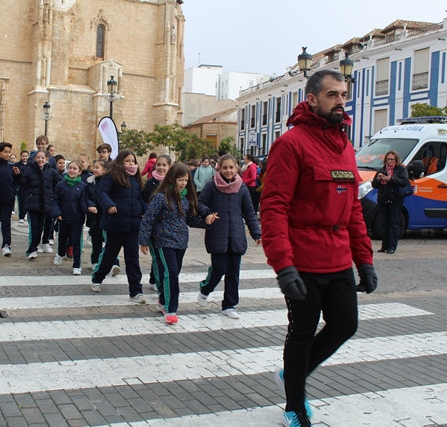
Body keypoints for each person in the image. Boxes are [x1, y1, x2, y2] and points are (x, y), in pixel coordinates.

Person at [261, 70, 377, 427]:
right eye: (332, 95)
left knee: (345, 324)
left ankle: (293, 374)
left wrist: (365, 260)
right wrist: (284, 266)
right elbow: (274, 206)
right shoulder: (291, 143)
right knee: (301, 332)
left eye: (343, 95)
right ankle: (294, 406)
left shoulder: (344, 145)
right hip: (303, 259)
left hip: (338, 256)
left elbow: (353, 207)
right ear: (312, 99)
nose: (341, 101)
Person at [139, 163, 215, 324]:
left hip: (181, 242)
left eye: (186, 180)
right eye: (180, 180)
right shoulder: (160, 197)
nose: (182, 183)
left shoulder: (186, 198)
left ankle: (162, 301)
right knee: (171, 274)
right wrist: (143, 240)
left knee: (172, 273)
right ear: (172, 179)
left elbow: (190, 219)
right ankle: (170, 308)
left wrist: (207, 221)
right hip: (163, 241)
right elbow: (148, 219)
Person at [197, 154, 261, 319]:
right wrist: (207, 214)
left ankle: (229, 305)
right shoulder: (212, 186)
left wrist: (256, 233)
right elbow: (200, 203)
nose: (228, 170)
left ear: (237, 168)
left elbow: (249, 212)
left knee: (233, 272)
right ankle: (206, 288)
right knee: (219, 268)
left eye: (231, 167)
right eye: (225, 167)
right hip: (217, 234)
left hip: (236, 235)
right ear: (219, 168)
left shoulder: (242, 188)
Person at [92, 149, 147, 302]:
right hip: (115, 224)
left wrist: (146, 210)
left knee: (132, 258)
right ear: (121, 162)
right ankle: (97, 278)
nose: (131, 163)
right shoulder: (111, 176)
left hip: (132, 226)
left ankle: (136, 291)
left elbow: (140, 199)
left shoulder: (136, 179)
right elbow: (102, 193)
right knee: (109, 255)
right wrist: (109, 204)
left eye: (133, 161)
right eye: (128, 161)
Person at [52, 160, 93, 274]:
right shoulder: (61, 184)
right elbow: (55, 200)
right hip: (63, 217)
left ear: (79, 171)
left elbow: (84, 201)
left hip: (77, 219)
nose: (72, 170)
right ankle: (60, 253)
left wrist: (89, 209)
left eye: (75, 169)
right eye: (70, 168)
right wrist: (57, 212)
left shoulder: (82, 186)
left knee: (76, 242)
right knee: (62, 239)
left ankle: (76, 265)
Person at [20, 150, 62, 259]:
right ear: (35, 159)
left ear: (46, 159)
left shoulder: (50, 171)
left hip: (46, 203)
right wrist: (17, 175)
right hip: (33, 203)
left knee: (42, 226)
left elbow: (60, 182)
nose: (40, 160)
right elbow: (22, 182)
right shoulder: (29, 170)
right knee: (35, 226)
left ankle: (36, 246)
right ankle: (32, 249)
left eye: (42, 158)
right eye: (38, 157)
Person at [142, 154, 172, 289]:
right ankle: (157, 282)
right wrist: (148, 210)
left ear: (169, 166)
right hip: (153, 225)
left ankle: (155, 278)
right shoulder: (150, 183)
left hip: (168, 225)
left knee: (163, 255)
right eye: (158, 165)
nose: (161, 167)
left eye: (164, 165)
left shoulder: (173, 183)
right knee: (157, 256)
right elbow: (142, 200)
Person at [371, 150, 409, 254]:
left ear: (396, 160)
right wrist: (379, 179)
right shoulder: (382, 170)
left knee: (394, 224)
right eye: (388, 159)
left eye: (392, 159)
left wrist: (390, 179)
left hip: (395, 199)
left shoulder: (401, 169)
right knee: (384, 223)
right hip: (383, 199)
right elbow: (374, 185)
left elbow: (404, 182)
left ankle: (392, 247)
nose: (390, 161)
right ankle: (384, 246)